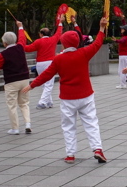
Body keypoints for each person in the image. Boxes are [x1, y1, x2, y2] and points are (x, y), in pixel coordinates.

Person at [22, 17, 109, 163]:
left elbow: (46, 75)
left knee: (68, 126)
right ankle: (97, 149)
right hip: (86, 94)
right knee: (91, 122)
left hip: (67, 97)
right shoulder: (84, 53)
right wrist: (101, 28)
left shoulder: (58, 59)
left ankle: (70, 154)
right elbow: (97, 43)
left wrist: (32, 85)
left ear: (64, 43)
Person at [17, 16, 63, 108]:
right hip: (50, 63)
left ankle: (48, 102)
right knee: (49, 84)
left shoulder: (38, 42)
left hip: (40, 64)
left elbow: (27, 48)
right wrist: (60, 22)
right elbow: (59, 32)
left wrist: (21, 32)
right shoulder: (53, 39)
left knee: (44, 83)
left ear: (41, 34)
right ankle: (42, 102)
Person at [0, 31, 32, 135]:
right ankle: (28, 124)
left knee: (12, 105)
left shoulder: (3, 54)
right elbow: (22, 38)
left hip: (11, 81)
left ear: (4, 43)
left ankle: (15, 128)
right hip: (24, 79)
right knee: (24, 103)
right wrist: (20, 27)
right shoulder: (20, 47)